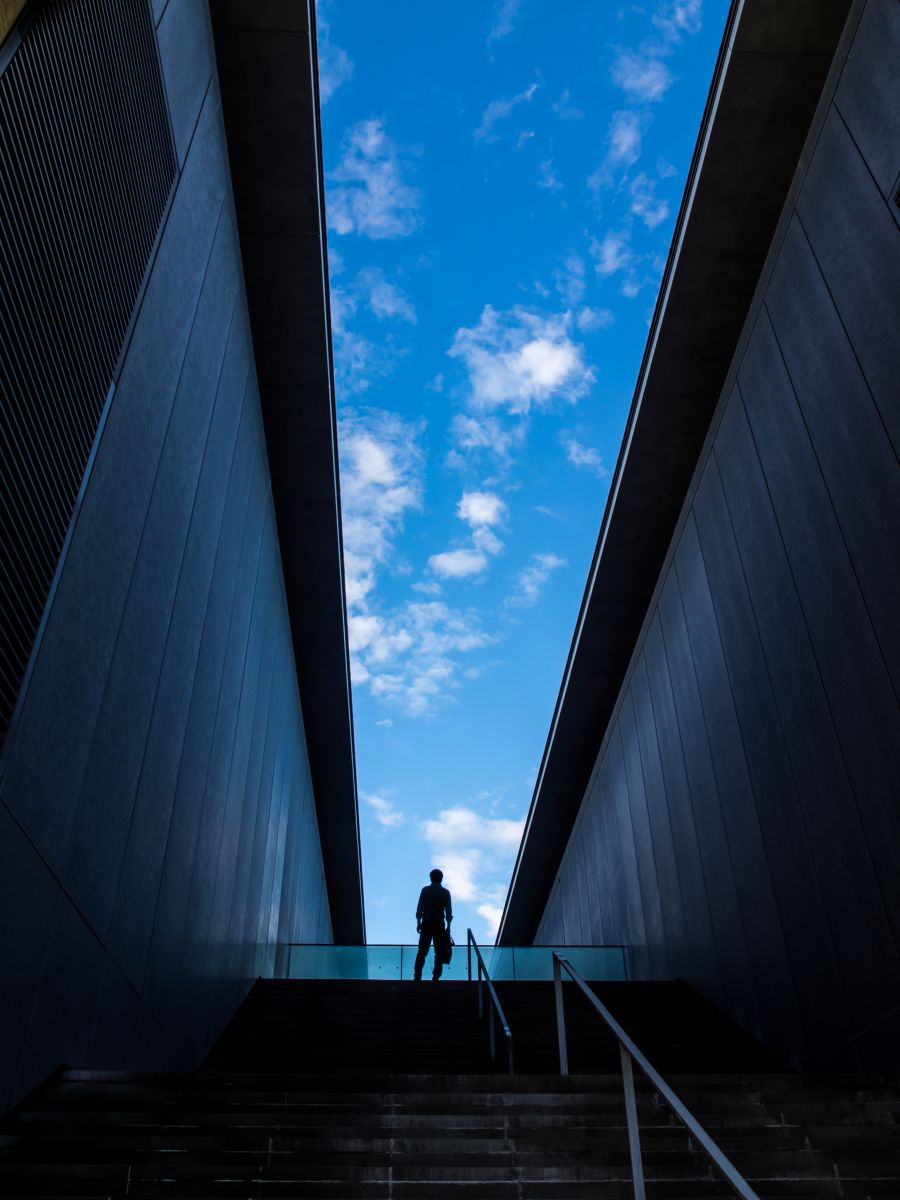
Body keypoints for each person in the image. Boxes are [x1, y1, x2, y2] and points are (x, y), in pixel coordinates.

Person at [413, 868, 452, 981]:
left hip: (426, 923)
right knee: (438, 952)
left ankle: (417, 976)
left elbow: (419, 908)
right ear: (441, 878)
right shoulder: (446, 892)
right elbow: (448, 912)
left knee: (422, 951)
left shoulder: (425, 890)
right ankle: (436, 977)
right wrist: (448, 927)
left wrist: (418, 922)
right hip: (439, 924)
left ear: (431, 878)